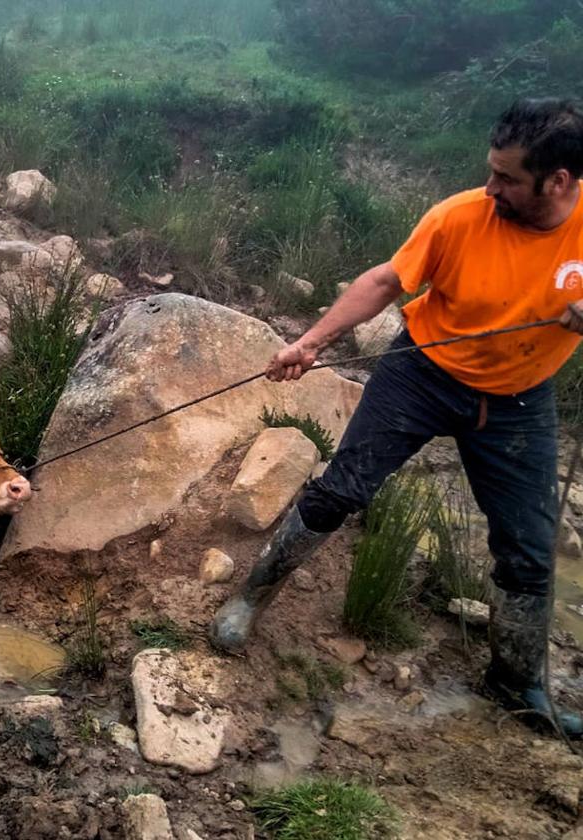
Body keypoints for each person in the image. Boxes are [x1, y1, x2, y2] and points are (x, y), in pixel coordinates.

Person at [209, 98, 583, 737]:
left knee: (527, 547)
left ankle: (517, 682)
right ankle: (249, 597)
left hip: (521, 399)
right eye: (490, 171)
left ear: (560, 181)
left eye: (507, 178)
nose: (490, 187)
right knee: (340, 492)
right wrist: (310, 342)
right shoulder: (459, 217)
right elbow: (385, 282)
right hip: (423, 373)